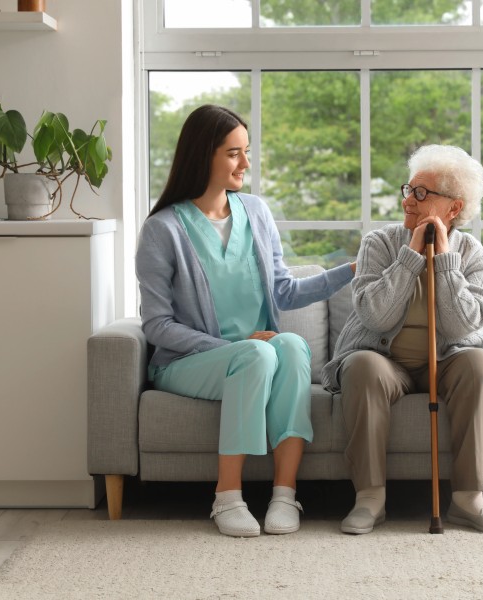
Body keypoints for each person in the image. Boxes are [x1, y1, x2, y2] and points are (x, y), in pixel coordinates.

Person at [136, 104, 355, 538]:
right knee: (257, 352)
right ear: (204, 155)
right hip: (188, 362)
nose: (246, 164)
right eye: (234, 153)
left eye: (247, 151)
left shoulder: (255, 211)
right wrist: (231, 349)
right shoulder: (162, 230)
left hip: (259, 355)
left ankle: (284, 494)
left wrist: (350, 270)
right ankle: (227, 497)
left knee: (291, 345)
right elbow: (156, 325)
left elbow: (285, 291)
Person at [321, 144, 483, 535]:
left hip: (449, 360)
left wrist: (443, 262)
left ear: (453, 209)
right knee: (361, 366)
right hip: (384, 357)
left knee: (481, 365)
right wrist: (410, 255)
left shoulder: (478, 258)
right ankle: (370, 499)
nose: (409, 200)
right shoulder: (379, 244)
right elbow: (375, 316)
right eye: (408, 190)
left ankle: (468, 499)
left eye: (422, 193)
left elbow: (463, 326)